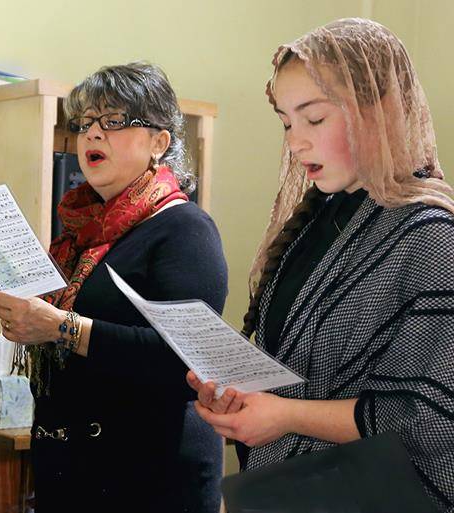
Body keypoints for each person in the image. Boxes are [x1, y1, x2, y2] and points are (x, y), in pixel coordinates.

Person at [187, 18, 454, 512]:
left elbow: (432, 417)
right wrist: (238, 391)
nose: (295, 142)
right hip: (283, 491)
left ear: (381, 110)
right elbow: (298, 366)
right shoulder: (316, 224)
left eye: (314, 119)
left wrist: (284, 416)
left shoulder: (431, 237)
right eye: (287, 123)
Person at [0, 63, 228, 513]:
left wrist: (62, 328)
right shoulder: (78, 234)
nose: (92, 135)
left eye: (113, 122)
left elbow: (186, 361)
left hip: (151, 479)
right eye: (84, 124)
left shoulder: (184, 228)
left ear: (159, 143)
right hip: (70, 470)